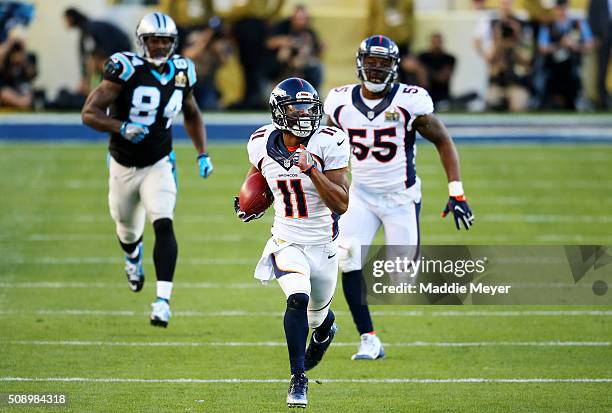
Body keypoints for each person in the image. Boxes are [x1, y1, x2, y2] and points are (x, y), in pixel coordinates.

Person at [323, 35, 474, 361]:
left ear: (395, 67)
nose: (376, 70)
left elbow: (443, 141)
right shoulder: (338, 101)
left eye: (384, 63)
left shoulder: (410, 100)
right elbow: (324, 146)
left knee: (401, 277)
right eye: (372, 62)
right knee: (348, 257)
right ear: (360, 63)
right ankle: (369, 339)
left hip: (400, 197)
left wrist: (456, 192)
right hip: (359, 195)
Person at [81, 12, 214, 328]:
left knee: (164, 222)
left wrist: (202, 154)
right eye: (154, 41)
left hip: (159, 162)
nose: (159, 47)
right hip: (123, 163)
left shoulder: (183, 71)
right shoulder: (125, 69)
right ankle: (132, 258)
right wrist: (120, 126)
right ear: (142, 42)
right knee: (127, 230)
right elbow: (89, 112)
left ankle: (163, 301)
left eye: (165, 41)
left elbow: (191, 113)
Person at [234, 77, 350, 408]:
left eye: (308, 108)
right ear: (279, 112)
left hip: (324, 245)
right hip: (286, 240)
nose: (304, 115)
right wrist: (248, 204)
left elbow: (341, 203)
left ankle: (326, 330)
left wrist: (313, 171)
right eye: (296, 108)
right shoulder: (260, 142)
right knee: (297, 299)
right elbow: (258, 180)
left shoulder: (329, 141)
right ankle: (298, 379)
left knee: (317, 317)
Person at [64, 8, 131, 103]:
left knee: (95, 65)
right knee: (95, 65)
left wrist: (86, 78)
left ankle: (94, 93)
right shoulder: (90, 27)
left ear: (70, 18)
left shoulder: (89, 29)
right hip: (119, 49)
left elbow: (90, 55)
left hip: (119, 50)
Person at [538, 0, 594, 110]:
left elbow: (590, 44)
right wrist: (560, 44)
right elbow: (542, 48)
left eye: (563, 8)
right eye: (559, 8)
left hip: (573, 68)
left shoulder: (578, 23)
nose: (561, 11)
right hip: (553, 69)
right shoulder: (548, 25)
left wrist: (575, 46)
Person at [266, 5, 324, 90]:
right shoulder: (283, 26)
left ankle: (314, 94)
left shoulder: (309, 32)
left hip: (301, 67)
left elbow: (315, 53)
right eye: (297, 19)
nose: (300, 22)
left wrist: (320, 49)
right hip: (278, 67)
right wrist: (288, 42)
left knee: (317, 67)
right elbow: (269, 42)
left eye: (303, 19)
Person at [417, 32, 456, 105]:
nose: (436, 45)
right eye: (434, 42)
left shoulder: (449, 58)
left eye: (439, 42)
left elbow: (443, 78)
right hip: (425, 96)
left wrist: (425, 70)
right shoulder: (422, 56)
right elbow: (422, 80)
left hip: (442, 96)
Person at [588, 0, 612, 109]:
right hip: (603, 36)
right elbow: (592, 15)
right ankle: (603, 100)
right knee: (602, 68)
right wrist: (595, 35)